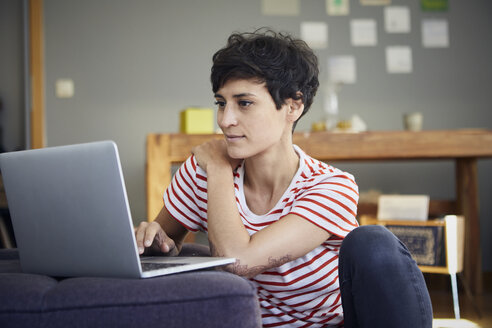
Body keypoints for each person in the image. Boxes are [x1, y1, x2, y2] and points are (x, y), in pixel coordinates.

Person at [135, 29, 433, 327]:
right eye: (221, 103)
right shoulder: (202, 172)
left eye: (245, 103)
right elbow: (161, 249)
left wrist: (220, 169)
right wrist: (151, 241)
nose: (225, 120)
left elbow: (240, 262)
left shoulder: (331, 186)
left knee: (373, 241)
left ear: (293, 105)